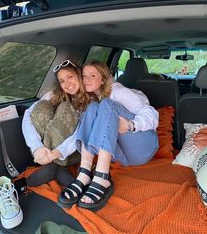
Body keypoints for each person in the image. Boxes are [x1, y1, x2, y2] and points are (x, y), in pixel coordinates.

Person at [49, 61, 159, 211]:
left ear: (103, 79)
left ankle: (102, 177)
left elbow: (151, 114)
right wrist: (58, 152)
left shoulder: (117, 91)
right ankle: (84, 173)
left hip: (143, 147)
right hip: (121, 156)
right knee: (93, 107)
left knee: (107, 104)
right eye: (84, 76)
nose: (87, 79)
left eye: (92, 75)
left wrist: (129, 125)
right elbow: (81, 132)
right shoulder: (90, 101)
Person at [22, 60, 92, 187]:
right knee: (41, 106)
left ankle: (53, 167)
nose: (67, 83)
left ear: (79, 75)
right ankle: (54, 167)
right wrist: (37, 147)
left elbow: (82, 133)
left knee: (66, 107)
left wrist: (56, 153)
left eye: (70, 77)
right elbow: (28, 114)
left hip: (74, 149)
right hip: (47, 151)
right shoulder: (55, 94)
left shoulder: (91, 100)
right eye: (62, 81)